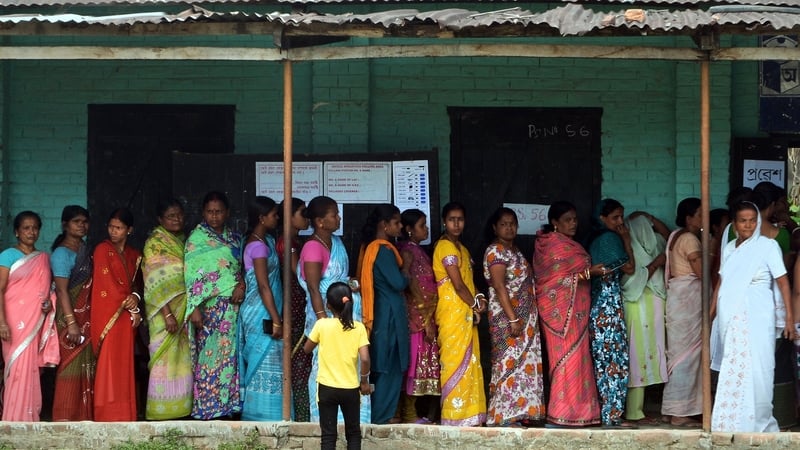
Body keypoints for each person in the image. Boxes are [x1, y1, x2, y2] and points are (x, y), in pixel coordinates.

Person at [712, 201, 797, 432]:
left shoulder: (768, 247)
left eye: (752, 220)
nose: (748, 225)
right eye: (743, 221)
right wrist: (710, 315)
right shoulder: (729, 248)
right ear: (735, 224)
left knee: (759, 366)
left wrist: (789, 319)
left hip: (759, 314)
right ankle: (732, 420)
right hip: (731, 314)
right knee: (734, 364)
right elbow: (721, 282)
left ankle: (756, 419)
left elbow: (782, 282)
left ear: (758, 222)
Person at [298, 195, 370, 423]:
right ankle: (326, 419)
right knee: (326, 363)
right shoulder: (312, 247)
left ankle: (354, 418)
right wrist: (324, 320)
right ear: (320, 221)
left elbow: (340, 278)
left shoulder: (335, 243)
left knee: (350, 361)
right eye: (334, 215)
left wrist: (353, 285)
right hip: (327, 316)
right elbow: (313, 287)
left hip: (346, 314)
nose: (338, 218)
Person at [532, 201, 601, 427]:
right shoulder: (551, 246)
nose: (573, 224)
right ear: (555, 223)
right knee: (563, 362)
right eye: (567, 220)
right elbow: (549, 283)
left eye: (575, 219)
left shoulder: (569, 244)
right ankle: (560, 413)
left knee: (580, 361)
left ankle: (581, 413)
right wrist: (588, 273)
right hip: (559, 315)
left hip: (578, 314)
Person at [184, 191, 244, 420]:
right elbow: (190, 277)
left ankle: (226, 407)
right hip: (208, 309)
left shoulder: (236, 238)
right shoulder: (196, 240)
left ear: (227, 213)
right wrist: (194, 308)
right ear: (203, 213)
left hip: (232, 308)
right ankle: (207, 407)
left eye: (219, 211)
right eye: (210, 211)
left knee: (230, 357)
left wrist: (242, 285)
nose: (214, 216)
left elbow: (241, 270)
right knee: (209, 357)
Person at [482, 207, 544, 427]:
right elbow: (499, 286)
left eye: (512, 223)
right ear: (494, 228)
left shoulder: (516, 251)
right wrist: (513, 319)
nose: (509, 227)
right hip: (508, 319)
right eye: (503, 224)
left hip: (525, 319)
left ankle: (522, 412)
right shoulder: (495, 251)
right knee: (507, 364)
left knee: (523, 365)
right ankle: (503, 415)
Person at [0, 211, 59, 421]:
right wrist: (2, 322)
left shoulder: (43, 259)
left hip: (35, 321)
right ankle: (12, 420)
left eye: (34, 227)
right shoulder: (7, 256)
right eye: (26, 228)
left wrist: (47, 305)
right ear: (17, 231)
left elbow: (49, 292)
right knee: (16, 369)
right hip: (13, 322)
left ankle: (29, 418)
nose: (31, 232)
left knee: (31, 370)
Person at [433, 201, 487, 426]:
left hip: (464, 313)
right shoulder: (445, 247)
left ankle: (470, 415)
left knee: (471, 362)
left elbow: (470, 284)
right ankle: (454, 417)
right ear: (444, 222)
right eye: (452, 219)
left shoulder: (462, 249)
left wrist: (480, 299)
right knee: (454, 363)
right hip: (451, 314)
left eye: (460, 219)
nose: (456, 224)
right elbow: (457, 285)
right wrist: (475, 303)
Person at [585, 198, 635, 428]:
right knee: (614, 361)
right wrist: (626, 239)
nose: (620, 222)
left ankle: (607, 414)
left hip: (598, 305)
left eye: (621, 216)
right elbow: (629, 268)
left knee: (605, 361)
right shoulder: (609, 239)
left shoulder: (594, 239)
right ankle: (612, 415)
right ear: (602, 218)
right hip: (608, 306)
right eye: (615, 217)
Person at [356, 203, 408, 424]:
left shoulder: (370, 248)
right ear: (384, 225)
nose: (400, 226)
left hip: (380, 312)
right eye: (396, 222)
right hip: (389, 316)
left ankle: (377, 415)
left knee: (381, 366)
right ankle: (381, 417)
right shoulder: (384, 250)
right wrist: (407, 270)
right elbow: (398, 282)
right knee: (389, 367)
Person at [304, 282, 371, 450]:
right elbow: (364, 359)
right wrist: (364, 381)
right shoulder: (359, 328)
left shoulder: (322, 325)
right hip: (350, 389)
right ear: (350, 303)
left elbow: (306, 349)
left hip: (327, 389)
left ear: (327, 304)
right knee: (353, 433)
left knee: (328, 436)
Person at [90, 208, 143, 422]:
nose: (114, 231)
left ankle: (124, 413)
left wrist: (136, 299)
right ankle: (106, 413)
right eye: (111, 227)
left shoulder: (135, 255)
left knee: (124, 364)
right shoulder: (102, 250)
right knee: (109, 363)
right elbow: (108, 286)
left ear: (129, 230)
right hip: (109, 315)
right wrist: (132, 307)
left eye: (119, 228)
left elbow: (138, 285)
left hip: (126, 316)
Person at [143, 199, 192, 420]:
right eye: (171, 216)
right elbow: (155, 285)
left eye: (179, 215)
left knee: (183, 358)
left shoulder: (182, 241)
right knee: (163, 358)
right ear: (160, 220)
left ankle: (181, 407)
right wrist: (168, 314)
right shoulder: (155, 243)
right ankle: (160, 409)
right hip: (165, 314)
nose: (177, 219)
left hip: (184, 310)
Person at [620, 212, 669, 425]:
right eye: (645, 230)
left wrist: (651, 217)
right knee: (636, 356)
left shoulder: (659, 244)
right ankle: (634, 411)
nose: (649, 234)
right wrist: (656, 263)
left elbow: (671, 236)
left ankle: (641, 408)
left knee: (651, 355)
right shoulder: (627, 248)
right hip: (635, 304)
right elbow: (631, 279)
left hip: (653, 305)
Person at [239, 196, 284, 421]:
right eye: (274, 214)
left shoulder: (264, 241)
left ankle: (272, 414)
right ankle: (260, 417)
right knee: (264, 361)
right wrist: (276, 318)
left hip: (265, 309)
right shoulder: (257, 246)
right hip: (261, 312)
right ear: (261, 218)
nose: (277, 218)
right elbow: (263, 285)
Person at [660, 198, 703, 427]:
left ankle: (671, 409)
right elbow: (701, 272)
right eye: (699, 214)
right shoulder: (689, 238)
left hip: (679, 300)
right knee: (687, 358)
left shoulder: (675, 235)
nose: (703, 218)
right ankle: (679, 413)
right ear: (689, 218)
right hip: (687, 302)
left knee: (678, 357)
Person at [51, 205, 94, 422]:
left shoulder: (84, 249)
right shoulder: (61, 253)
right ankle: (65, 415)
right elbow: (61, 290)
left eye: (85, 221)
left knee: (87, 364)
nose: (82, 225)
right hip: (69, 317)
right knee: (70, 366)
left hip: (86, 316)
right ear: (65, 225)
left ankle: (83, 415)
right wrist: (72, 323)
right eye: (77, 221)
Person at [396, 209, 440, 424]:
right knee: (414, 364)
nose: (427, 229)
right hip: (416, 318)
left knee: (422, 364)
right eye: (422, 225)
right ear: (409, 230)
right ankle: (408, 413)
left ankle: (416, 412)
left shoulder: (419, 251)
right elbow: (414, 287)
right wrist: (424, 319)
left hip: (426, 315)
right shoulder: (408, 252)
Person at [276, 197, 312, 422]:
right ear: (289, 216)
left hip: (300, 303)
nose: (306, 218)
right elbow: (300, 275)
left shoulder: (296, 242)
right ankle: (301, 415)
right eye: (302, 213)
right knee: (299, 362)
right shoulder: (288, 243)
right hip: (296, 305)